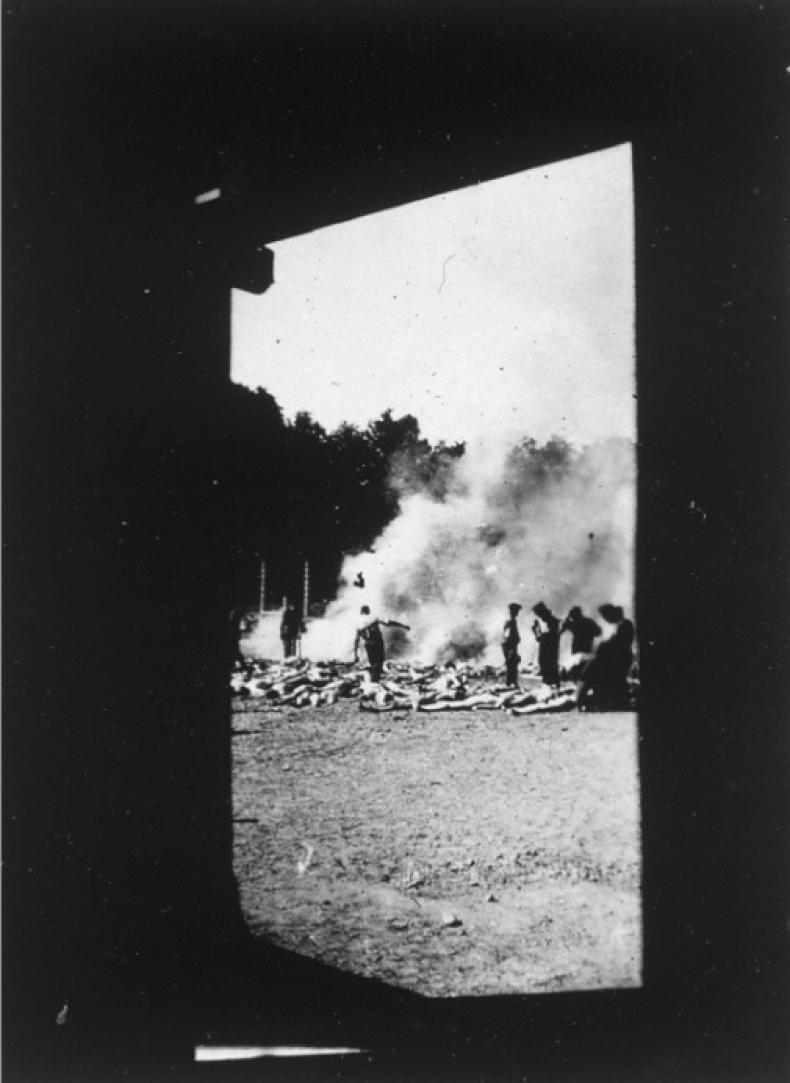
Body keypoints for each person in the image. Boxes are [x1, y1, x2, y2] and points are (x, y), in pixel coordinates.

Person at [576, 604, 635, 710]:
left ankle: (586, 701)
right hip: (615, 657)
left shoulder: (624, 624)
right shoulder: (620, 624)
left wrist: (604, 646)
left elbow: (620, 643)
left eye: (606, 616)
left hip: (619, 658)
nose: (606, 619)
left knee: (593, 673)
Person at [353, 605, 410, 682]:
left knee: (373, 663)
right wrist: (403, 625)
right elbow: (388, 622)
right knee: (379, 663)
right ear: (368, 611)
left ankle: (373, 680)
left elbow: (356, 640)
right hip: (377, 642)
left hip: (368, 644)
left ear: (361, 612)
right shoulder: (373, 617)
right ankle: (374, 682)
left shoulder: (358, 623)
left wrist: (356, 655)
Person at [561, 605, 602, 677]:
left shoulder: (574, 624)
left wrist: (567, 619)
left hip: (578, 649)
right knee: (582, 667)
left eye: (572, 615)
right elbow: (598, 632)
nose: (572, 617)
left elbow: (563, 629)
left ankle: (575, 676)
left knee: (577, 667)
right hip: (586, 648)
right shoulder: (588, 622)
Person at [531, 601, 561, 687]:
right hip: (547, 652)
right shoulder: (551, 622)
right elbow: (540, 638)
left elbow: (547, 638)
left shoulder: (553, 622)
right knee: (547, 668)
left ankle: (551, 686)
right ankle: (550, 686)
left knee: (550, 668)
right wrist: (536, 631)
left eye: (540, 615)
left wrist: (537, 632)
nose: (540, 617)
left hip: (549, 652)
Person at [501, 602, 522, 688]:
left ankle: (512, 683)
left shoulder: (513, 621)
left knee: (513, 665)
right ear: (512, 611)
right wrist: (509, 650)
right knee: (511, 666)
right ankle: (510, 684)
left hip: (512, 647)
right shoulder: (510, 622)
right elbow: (506, 636)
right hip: (510, 647)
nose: (517, 613)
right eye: (516, 611)